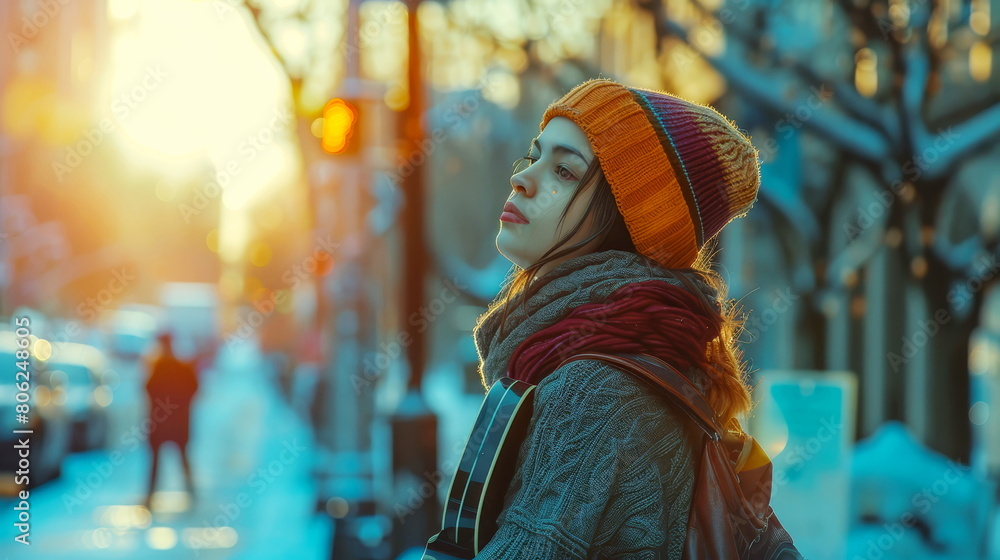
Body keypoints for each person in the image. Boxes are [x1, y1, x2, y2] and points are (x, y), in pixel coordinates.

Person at [468, 78, 761, 558]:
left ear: (629, 221)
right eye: (535, 155)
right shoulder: (633, 360)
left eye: (564, 171)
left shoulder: (593, 390)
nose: (523, 179)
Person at [143, 331, 199, 510]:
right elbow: (194, 389)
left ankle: (153, 496)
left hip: (162, 424)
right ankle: (190, 492)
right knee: (178, 458)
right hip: (176, 423)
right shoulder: (179, 367)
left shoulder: (158, 367)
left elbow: (148, 391)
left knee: (160, 461)